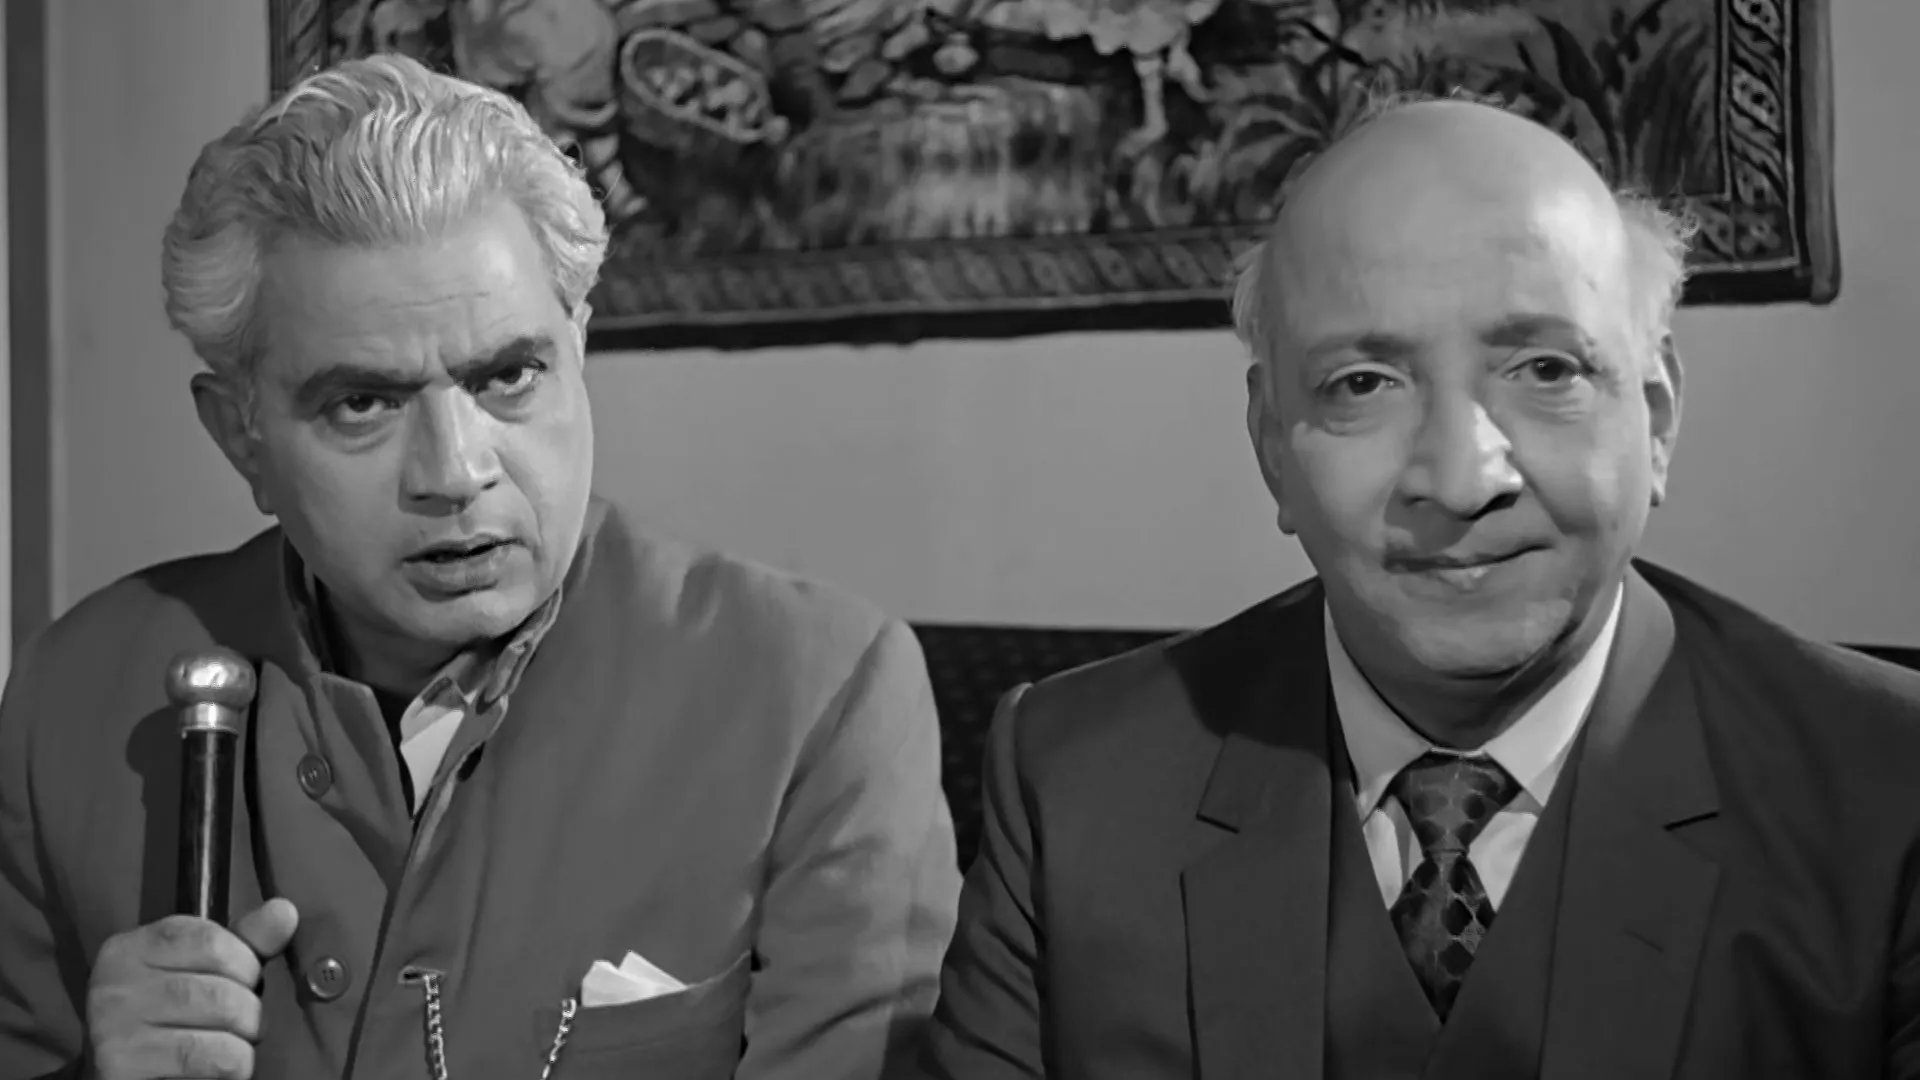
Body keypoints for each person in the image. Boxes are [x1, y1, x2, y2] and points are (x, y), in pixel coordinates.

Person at [911, 94, 1920, 1079]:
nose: (1462, 478)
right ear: (1271, 446)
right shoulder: (1075, 781)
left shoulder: (1890, 791)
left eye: (1546, 369)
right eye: (1363, 384)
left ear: (1654, 420)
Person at [0, 54, 959, 1080]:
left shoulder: (817, 696)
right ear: (241, 436)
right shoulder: (77, 698)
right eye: (363, 403)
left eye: (509, 376)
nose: (456, 473)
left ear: (577, 349)